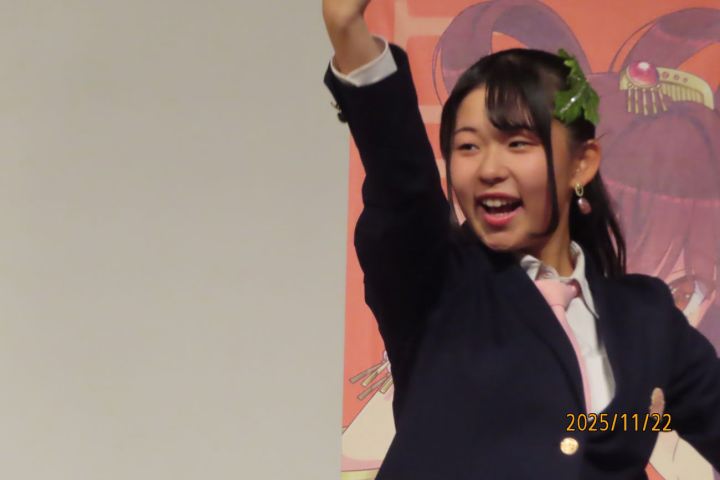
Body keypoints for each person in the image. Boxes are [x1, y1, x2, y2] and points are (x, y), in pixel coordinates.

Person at [321, 0, 720, 478]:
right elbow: (401, 183)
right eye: (468, 146)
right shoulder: (439, 284)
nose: (489, 169)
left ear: (582, 163)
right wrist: (347, 31)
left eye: (517, 144)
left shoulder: (645, 318)